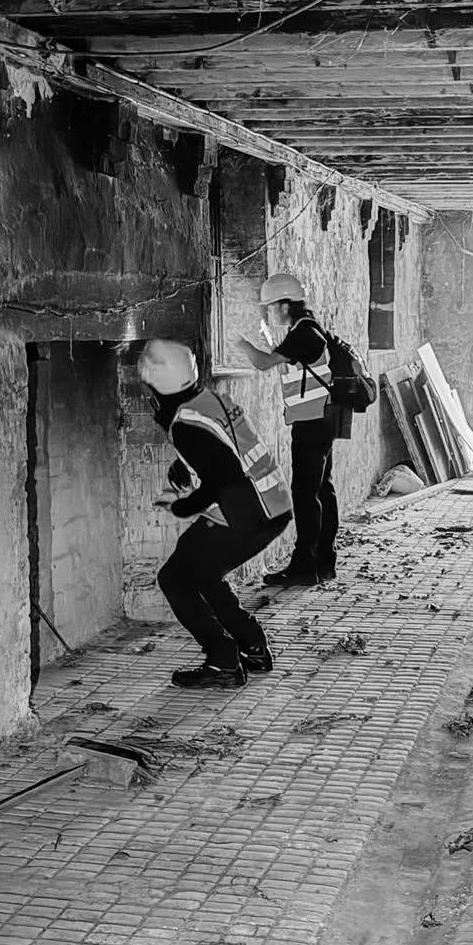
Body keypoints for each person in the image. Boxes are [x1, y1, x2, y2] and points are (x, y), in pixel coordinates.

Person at [138, 338, 292, 689]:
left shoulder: (184, 424)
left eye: (148, 388)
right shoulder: (208, 400)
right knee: (205, 573)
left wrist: (181, 506)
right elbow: (223, 448)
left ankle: (223, 660)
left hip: (246, 513)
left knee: (175, 579)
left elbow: (224, 475)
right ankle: (252, 646)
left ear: (158, 388)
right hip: (273, 505)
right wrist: (185, 466)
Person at [239, 272, 345, 587]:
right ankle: (325, 562)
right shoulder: (306, 329)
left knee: (306, 494)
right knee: (323, 490)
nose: (269, 312)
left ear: (285, 305)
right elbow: (285, 356)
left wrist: (239, 342)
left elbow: (262, 362)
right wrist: (266, 338)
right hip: (321, 419)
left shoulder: (303, 333)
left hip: (312, 424)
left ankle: (305, 566)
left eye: (271, 306)